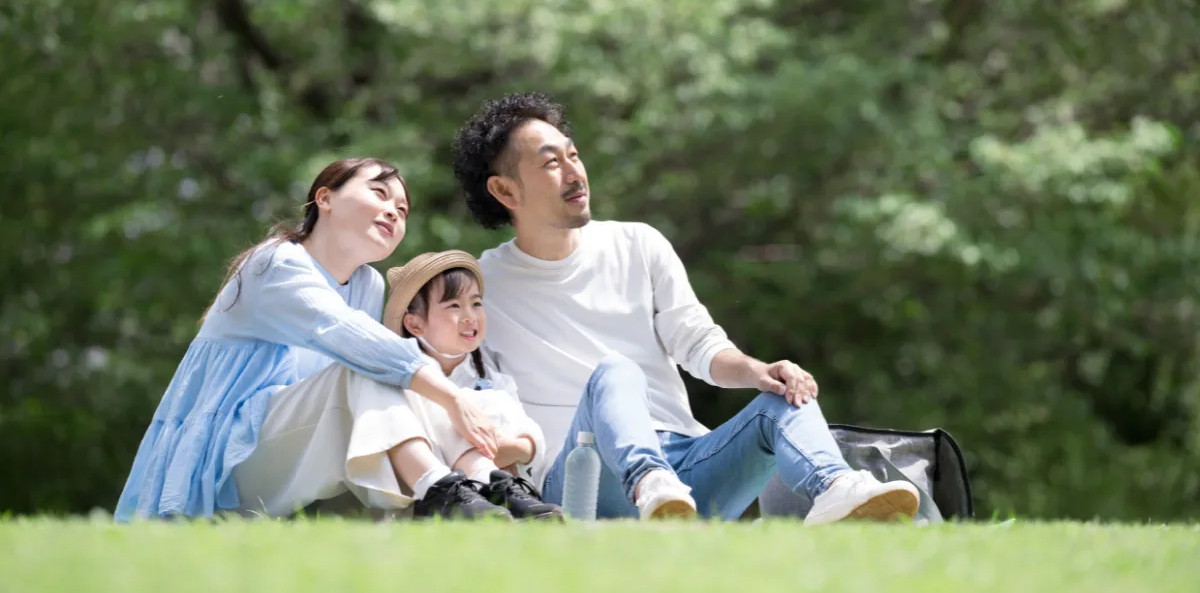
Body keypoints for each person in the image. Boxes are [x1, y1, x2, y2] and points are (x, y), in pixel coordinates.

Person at [451, 93, 922, 523]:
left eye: (573, 155)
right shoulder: (481, 287)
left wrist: (759, 372)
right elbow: (458, 387)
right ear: (506, 192)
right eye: (551, 163)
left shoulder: (638, 244)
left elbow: (697, 343)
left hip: (687, 474)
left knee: (783, 396)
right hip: (582, 479)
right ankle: (648, 482)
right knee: (616, 371)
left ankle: (837, 488)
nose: (575, 173)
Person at [115, 157, 509, 522]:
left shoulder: (367, 284)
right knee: (367, 367)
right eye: (379, 192)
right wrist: (452, 397)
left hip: (295, 446)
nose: (393, 211)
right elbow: (348, 335)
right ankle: (439, 489)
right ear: (325, 198)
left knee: (379, 376)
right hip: (224, 457)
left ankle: (482, 483)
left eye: (403, 210)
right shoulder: (275, 262)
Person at [380, 250, 563, 520]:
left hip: (509, 485)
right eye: (453, 306)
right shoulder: (403, 386)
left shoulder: (492, 377)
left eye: (476, 303)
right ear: (415, 324)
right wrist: (489, 446)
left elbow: (530, 440)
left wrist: (517, 448)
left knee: (492, 400)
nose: (469, 316)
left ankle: (505, 496)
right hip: (436, 495)